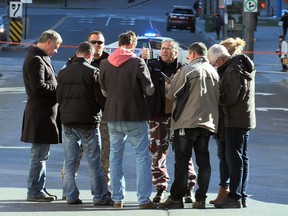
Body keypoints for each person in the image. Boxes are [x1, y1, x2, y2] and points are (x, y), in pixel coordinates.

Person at [99, 30, 157, 209]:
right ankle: (143, 199)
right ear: (132, 44)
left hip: (112, 116)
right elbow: (149, 90)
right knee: (141, 157)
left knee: (115, 156)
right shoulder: (137, 62)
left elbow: (104, 91)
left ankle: (117, 198)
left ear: (119, 43)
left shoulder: (104, 63)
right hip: (134, 115)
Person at [158, 42, 220, 209]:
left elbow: (172, 94)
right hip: (207, 123)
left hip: (186, 122)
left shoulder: (187, 70)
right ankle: (201, 198)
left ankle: (176, 198)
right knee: (204, 162)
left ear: (192, 54)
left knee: (182, 162)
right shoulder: (214, 72)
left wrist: (168, 86)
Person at [56, 41, 111, 205]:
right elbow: (101, 99)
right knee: (94, 162)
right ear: (89, 55)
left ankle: (71, 195)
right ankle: (99, 196)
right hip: (88, 122)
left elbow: (58, 96)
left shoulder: (64, 72)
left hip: (68, 122)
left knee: (70, 161)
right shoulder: (93, 72)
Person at [142, 39, 197, 203]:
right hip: (156, 116)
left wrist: (173, 87)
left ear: (176, 51)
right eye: (163, 49)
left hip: (178, 118)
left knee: (183, 153)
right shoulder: (151, 65)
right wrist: (142, 59)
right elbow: (139, 78)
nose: (164, 51)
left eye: (168, 49)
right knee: (157, 153)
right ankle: (160, 188)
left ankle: (188, 188)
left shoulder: (183, 68)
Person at [207, 44, 256, 208]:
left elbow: (229, 98)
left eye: (213, 64)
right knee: (237, 159)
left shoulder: (233, 70)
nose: (213, 67)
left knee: (236, 160)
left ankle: (235, 197)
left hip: (235, 121)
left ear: (220, 60)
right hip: (236, 119)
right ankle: (237, 196)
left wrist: (211, 94)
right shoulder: (234, 67)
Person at [21, 29, 63, 202]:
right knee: (39, 155)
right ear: (48, 42)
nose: (57, 50)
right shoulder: (36, 59)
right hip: (40, 115)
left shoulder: (41, 57)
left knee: (42, 155)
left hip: (44, 114)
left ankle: (40, 189)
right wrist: (60, 90)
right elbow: (38, 88)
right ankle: (35, 191)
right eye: (56, 46)